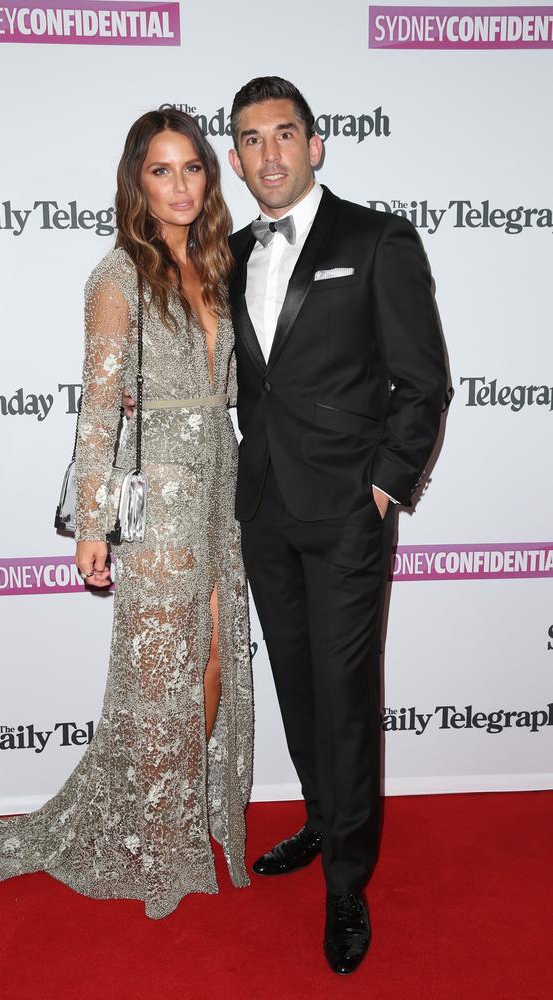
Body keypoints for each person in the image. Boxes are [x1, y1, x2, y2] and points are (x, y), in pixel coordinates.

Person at [0, 109, 254, 920]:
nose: (178, 185)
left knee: (212, 660)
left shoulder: (218, 262)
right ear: (137, 181)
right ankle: (156, 836)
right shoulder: (117, 276)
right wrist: (92, 524)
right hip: (160, 488)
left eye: (191, 168)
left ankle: (180, 810)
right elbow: (100, 409)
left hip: (220, 487)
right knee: (159, 676)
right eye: (160, 170)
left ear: (209, 175)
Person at [227, 77, 448, 974]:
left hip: (350, 513)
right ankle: (322, 818)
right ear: (236, 157)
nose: (269, 153)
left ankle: (348, 885)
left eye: (285, 134)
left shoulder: (377, 238)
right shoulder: (229, 250)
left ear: (317, 145)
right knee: (297, 680)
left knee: (347, 696)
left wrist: (387, 487)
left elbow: (422, 381)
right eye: (250, 139)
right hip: (265, 510)